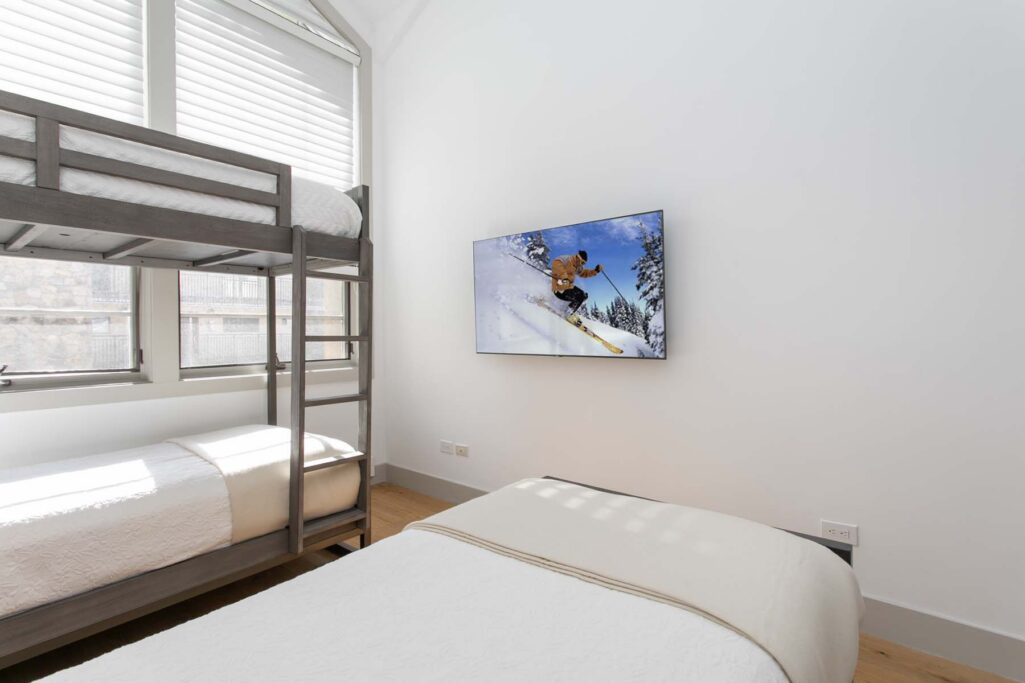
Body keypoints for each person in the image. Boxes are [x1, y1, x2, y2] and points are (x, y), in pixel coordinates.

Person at [550, 250, 603, 321]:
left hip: (567, 287)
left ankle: (567, 310)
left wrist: (595, 271)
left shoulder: (578, 266)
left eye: (584, 263)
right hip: (559, 286)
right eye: (582, 262)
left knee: (583, 296)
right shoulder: (566, 259)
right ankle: (567, 313)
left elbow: (584, 273)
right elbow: (556, 263)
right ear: (578, 257)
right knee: (580, 295)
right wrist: (563, 277)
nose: (582, 265)